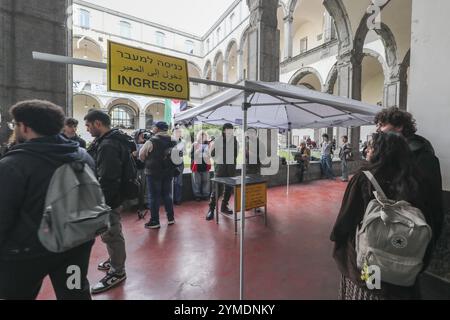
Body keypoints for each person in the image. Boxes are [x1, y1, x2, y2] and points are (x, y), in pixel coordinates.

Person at [0, 100, 95, 300]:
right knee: (75, 294)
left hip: (26, 255)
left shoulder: (12, 165)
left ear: (24, 126)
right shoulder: (83, 156)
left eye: (14, 124)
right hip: (75, 247)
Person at [330, 132, 443, 300]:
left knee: (367, 291)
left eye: (371, 146)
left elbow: (345, 221)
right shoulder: (418, 181)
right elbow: (432, 218)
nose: (367, 150)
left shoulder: (364, 178)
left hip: (367, 267)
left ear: (380, 151)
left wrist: (338, 243)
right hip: (404, 268)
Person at [374, 107, 444, 241]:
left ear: (399, 126)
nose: (378, 129)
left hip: (413, 224)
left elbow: (427, 197)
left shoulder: (421, 155)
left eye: (382, 125)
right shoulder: (396, 152)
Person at [85, 110, 135, 294]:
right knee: (112, 232)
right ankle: (114, 260)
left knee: (111, 233)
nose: (87, 129)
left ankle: (118, 270)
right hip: (114, 196)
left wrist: (102, 203)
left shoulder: (108, 145)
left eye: (89, 125)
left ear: (98, 123)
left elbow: (108, 177)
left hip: (109, 199)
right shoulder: (113, 140)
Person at [139, 121, 176, 229]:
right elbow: (178, 155)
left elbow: (141, 155)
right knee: (167, 195)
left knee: (154, 197)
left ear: (158, 128)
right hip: (168, 172)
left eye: (154, 126)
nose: (152, 128)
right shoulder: (173, 140)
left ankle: (155, 221)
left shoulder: (151, 141)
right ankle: (171, 218)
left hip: (153, 172)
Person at [206, 123, 239, 221]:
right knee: (216, 190)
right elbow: (212, 154)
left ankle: (224, 206)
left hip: (231, 168)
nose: (230, 132)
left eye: (231, 130)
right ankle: (211, 210)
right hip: (220, 169)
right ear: (224, 130)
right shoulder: (218, 140)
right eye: (228, 130)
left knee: (228, 189)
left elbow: (235, 154)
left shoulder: (234, 140)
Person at [191, 130, 212, 201]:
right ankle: (197, 195)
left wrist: (208, 151)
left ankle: (206, 195)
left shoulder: (208, 144)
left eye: (204, 136)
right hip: (196, 166)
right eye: (201, 135)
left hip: (205, 165)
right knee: (196, 182)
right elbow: (190, 155)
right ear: (198, 137)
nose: (203, 137)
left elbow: (211, 155)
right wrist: (196, 152)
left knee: (206, 182)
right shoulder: (195, 144)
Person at [133, 129, 150, 219]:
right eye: (141, 135)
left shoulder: (146, 143)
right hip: (136, 168)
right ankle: (136, 203)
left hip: (144, 167)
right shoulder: (133, 144)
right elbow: (133, 154)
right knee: (137, 186)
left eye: (143, 135)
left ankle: (145, 202)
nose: (143, 136)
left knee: (145, 186)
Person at [172, 125, 185, 205]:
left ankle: (178, 199)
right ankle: (171, 199)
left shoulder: (182, 142)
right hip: (171, 164)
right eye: (177, 131)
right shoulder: (170, 141)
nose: (179, 133)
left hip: (180, 163)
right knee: (172, 182)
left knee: (179, 182)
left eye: (179, 132)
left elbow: (185, 152)